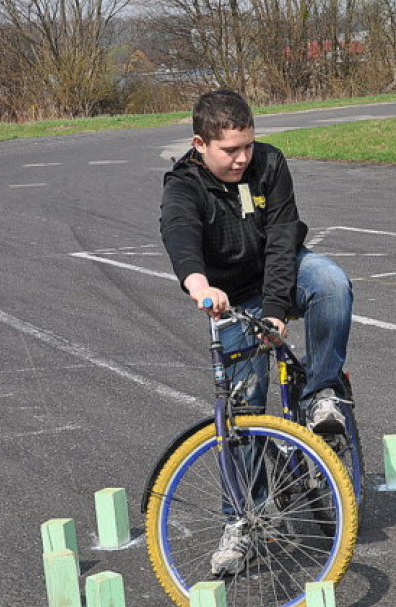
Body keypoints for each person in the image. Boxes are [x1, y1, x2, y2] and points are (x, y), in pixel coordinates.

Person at [160, 88, 353, 574]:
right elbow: (180, 237)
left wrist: (275, 312)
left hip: (280, 275)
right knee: (243, 406)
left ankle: (321, 392)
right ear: (199, 143)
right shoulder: (184, 186)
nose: (242, 158)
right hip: (228, 294)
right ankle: (242, 520)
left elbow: (284, 237)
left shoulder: (269, 164)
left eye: (248, 145)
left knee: (331, 283)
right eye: (230, 150)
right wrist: (199, 284)